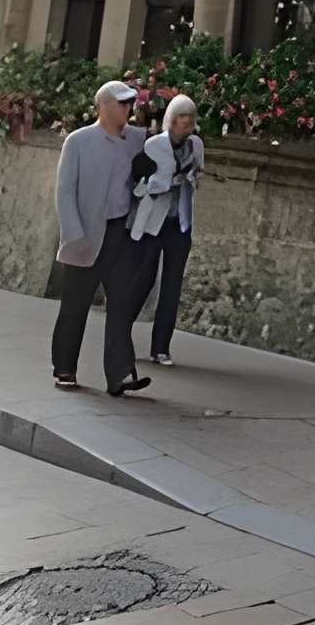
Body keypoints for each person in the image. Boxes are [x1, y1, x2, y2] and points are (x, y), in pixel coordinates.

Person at [51, 80, 151, 396]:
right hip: (87, 234)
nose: (127, 108)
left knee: (121, 304)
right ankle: (64, 368)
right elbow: (64, 190)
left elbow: (168, 140)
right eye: (121, 103)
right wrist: (73, 233)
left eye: (129, 104)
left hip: (120, 233)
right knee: (74, 305)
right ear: (103, 106)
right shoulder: (78, 141)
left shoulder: (137, 139)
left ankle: (120, 375)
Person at [128, 92, 204, 366]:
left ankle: (161, 347)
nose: (188, 129)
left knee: (172, 287)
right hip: (153, 224)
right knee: (143, 280)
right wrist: (169, 181)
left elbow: (198, 177)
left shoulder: (196, 146)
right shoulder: (153, 146)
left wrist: (192, 177)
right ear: (171, 122)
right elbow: (139, 187)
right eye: (184, 123)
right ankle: (120, 335)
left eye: (191, 123)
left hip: (179, 223)